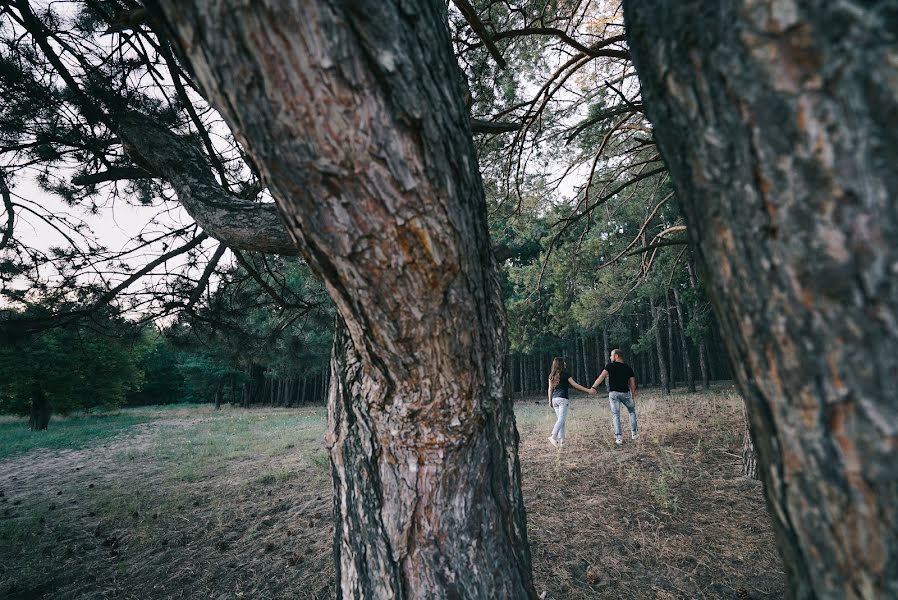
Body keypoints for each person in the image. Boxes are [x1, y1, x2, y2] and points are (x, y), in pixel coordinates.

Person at [592, 349, 638, 445]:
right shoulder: (628, 368)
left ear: (616, 356)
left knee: (616, 415)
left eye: (611, 355)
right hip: (625, 394)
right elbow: (632, 384)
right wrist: (632, 395)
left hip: (613, 394)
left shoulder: (610, 366)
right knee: (632, 412)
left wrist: (593, 387)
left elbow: (601, 377)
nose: (610, 357)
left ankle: (619, 438)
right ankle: (634, 433)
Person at [547, 357, 596, 447]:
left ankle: (562, 442)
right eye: (564, 362)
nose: (565, 363)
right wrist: (588, 390)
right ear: (561, 364)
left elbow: (550, 389)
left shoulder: (551, 375)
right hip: (562, 399)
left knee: (561, 420)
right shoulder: (566, 374)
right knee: (561, 419)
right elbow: (575, 385)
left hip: (554, 399)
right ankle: (553, 436)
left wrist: (550, 401)